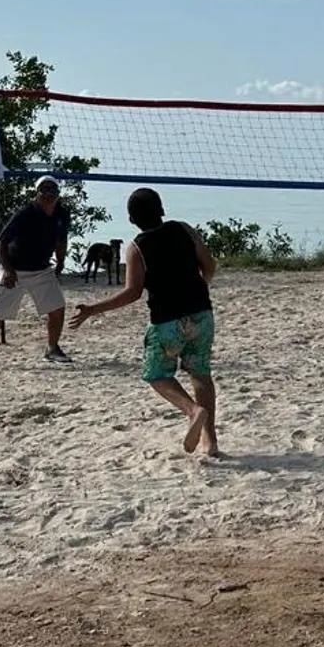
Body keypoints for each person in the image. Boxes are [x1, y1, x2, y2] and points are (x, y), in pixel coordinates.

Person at [71, 188, 221, 459]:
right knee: (200, 373)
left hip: (166, 321)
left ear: (131, 219)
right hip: (201, 313)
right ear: (162, 210)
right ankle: (210, 442)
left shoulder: (137, 248)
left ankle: (192, 411)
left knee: (157, 375)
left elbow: (132, 292)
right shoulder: (185, 230)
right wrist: (200, 289)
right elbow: (209, 266)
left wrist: (93, 309)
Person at [0, 176, 71, 370]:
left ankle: (52, 348)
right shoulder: (25, 213)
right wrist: (8, 271)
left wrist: (61, 262)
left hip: (42, 269)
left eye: (52, 193)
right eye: (44, 193)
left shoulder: (61, 214)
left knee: (57, 308)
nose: (48, 197)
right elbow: (1, 242)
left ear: (57, 195)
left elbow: (61, 240)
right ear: (37, 194)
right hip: (15, 268)